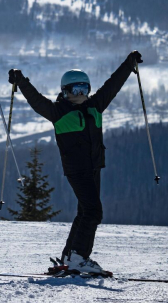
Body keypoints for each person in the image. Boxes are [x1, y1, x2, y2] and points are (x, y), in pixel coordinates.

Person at [8, 50, 142, 275]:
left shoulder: (95, 105)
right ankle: (79, 257)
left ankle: (70, 256)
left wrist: (129, 64)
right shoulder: (57, 112)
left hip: (94, 167)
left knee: (84, 211)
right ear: (66, 91)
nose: (81, 94)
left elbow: (113, 84)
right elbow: (35, 99)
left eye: (85, 89)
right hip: (77, 170)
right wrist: (20, 81)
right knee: (93, 210)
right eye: (76, 89)